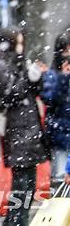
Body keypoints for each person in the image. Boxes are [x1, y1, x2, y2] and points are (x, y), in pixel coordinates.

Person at [0, 28, 49, 226]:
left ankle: (15, 222)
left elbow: (31, 90)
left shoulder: (18, 60)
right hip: (17, 129)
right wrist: (27, 78)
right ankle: (16, 222)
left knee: (28, 184)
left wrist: (36, 77)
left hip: (29, 127)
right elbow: (10, 93)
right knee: (22, 184)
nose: (21, 47)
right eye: (19, 43)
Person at [40, 29, 70, 186]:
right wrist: (64, 79)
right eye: (66, 51)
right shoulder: (52, 75)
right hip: (61, 136)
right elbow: (50, 100)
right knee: (60, 179)